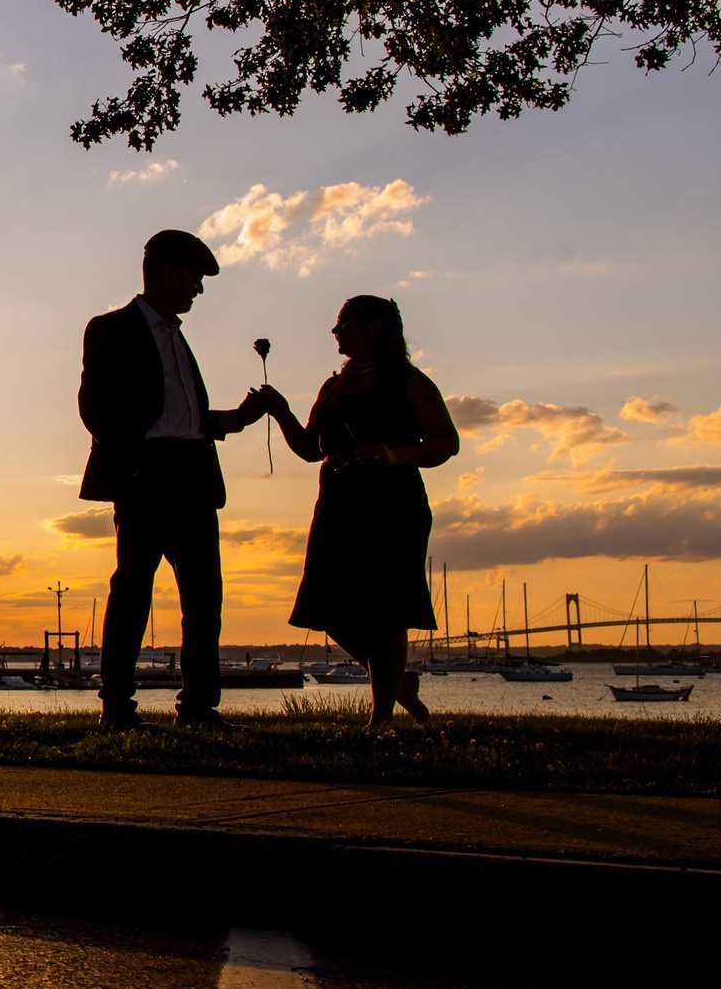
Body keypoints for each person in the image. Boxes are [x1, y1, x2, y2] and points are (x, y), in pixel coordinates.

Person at [78, 230, 273, 729]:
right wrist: (135, 462)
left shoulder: (176, 336)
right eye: (194, 277)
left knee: (205, 597)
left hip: (193, 475)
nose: (199, 289)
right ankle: (117, 708)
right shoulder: (110, 329)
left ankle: (199, 708)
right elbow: (95, 408)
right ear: (168, 273)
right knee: (132, 593)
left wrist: (239, 418)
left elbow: (187, 419)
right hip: (147, 475)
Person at [259, 295, 461, 726]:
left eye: (343, 322)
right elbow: (310, 450)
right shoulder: (332, 387)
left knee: (387, 612)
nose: (335, 331)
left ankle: (381, 719)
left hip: (393, 507)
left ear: (374, 326)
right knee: (325, 606)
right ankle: (395, 681)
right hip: (337, 507)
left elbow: (446, 443)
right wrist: (280, 412)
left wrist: (393, 454)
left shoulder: (409, 381)